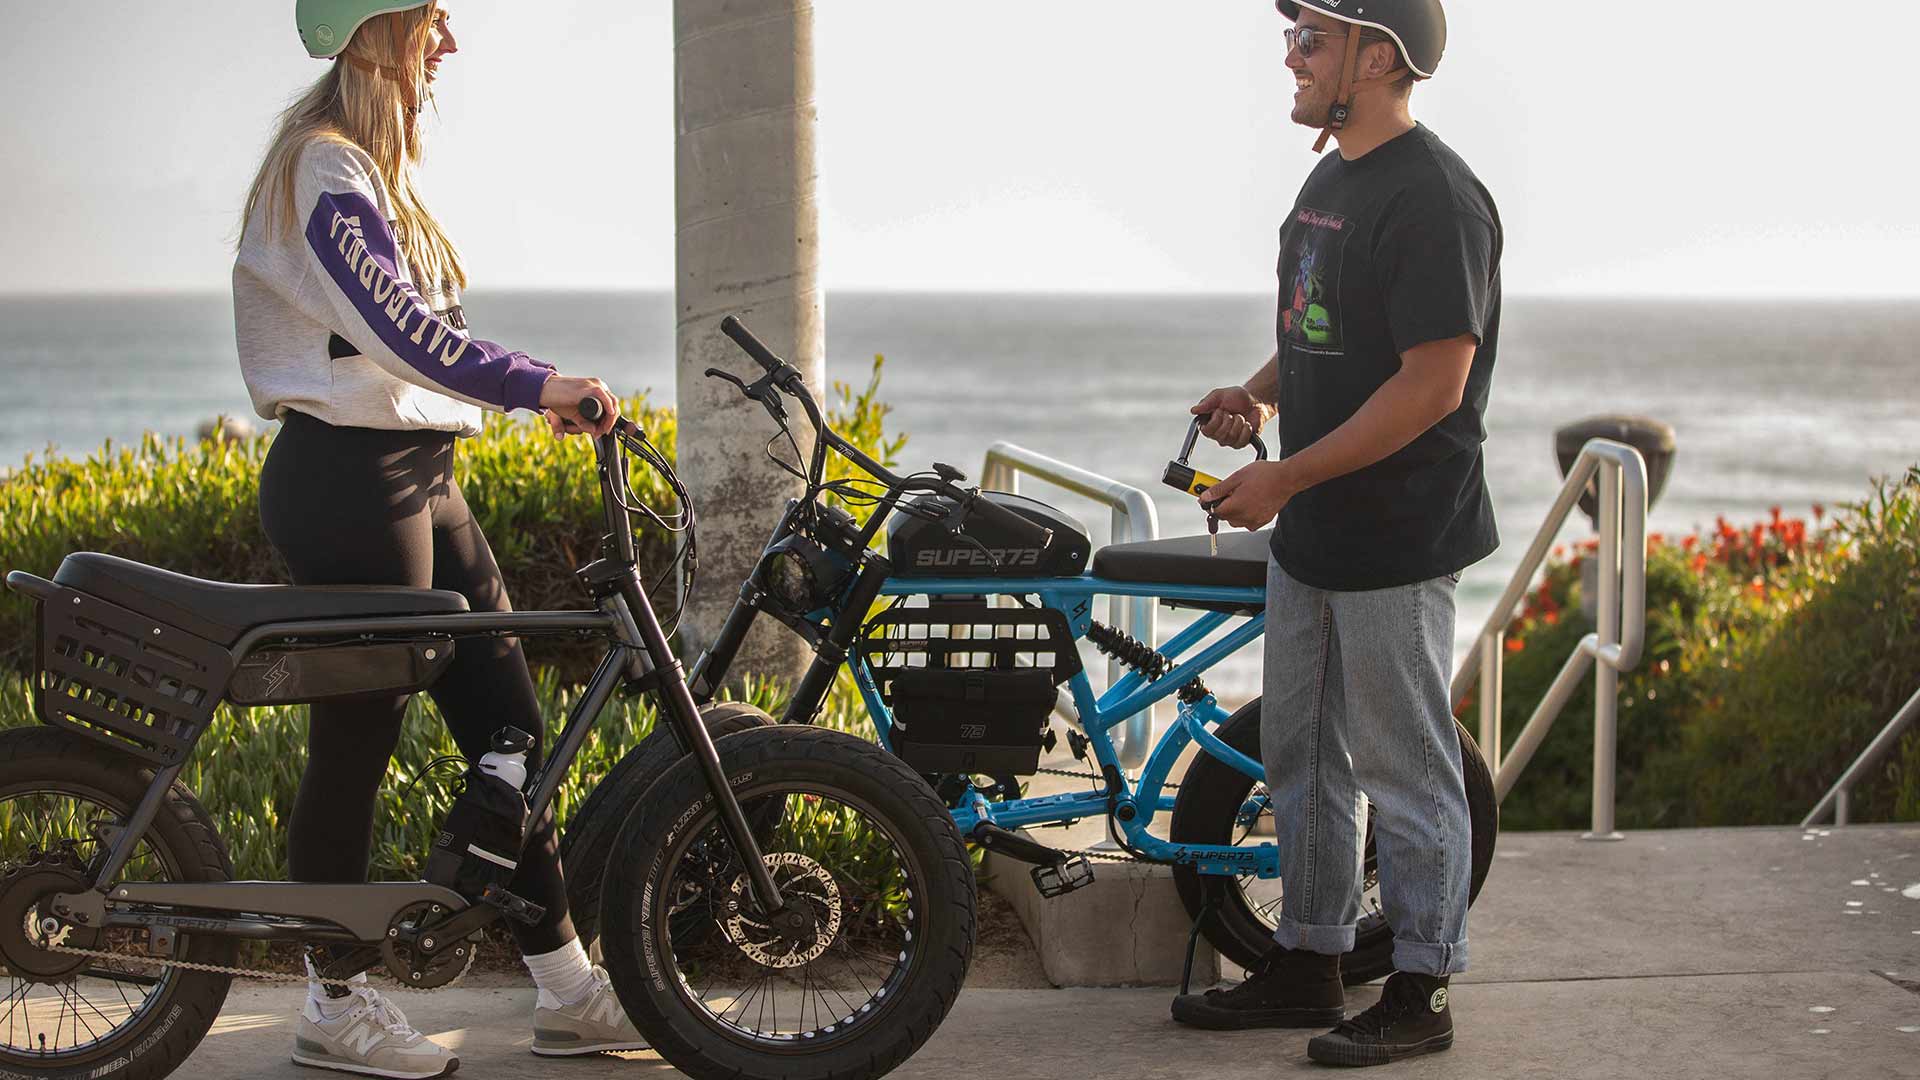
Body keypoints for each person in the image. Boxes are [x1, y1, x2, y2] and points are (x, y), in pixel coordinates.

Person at [233, 3, 641, 1075]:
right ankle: (333, 1002)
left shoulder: (370, 171)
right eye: (433, 20)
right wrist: (535, 383)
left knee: (509, 732)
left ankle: (567, 991)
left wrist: (531, 387)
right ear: (377, 33)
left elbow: (430, 334)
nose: (448, 45)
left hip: (419, 476)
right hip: (348, 484)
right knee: (357, 742)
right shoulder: (324, 168)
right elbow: (402, 334)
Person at [1169, 0, 1499, 1067]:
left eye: (1313, 35)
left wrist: (1286, 477)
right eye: (1294, 35)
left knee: (1406, 771)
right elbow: (1314, 324)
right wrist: (1258, 402)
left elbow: (1433, 383)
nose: (1292, 53)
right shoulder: (1329, 183)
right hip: (1314, 527)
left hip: (1396, 537)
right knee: (1304, 757)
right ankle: (1307, 958)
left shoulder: (1436, 198)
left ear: (1377, 55)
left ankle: (1422, 986)